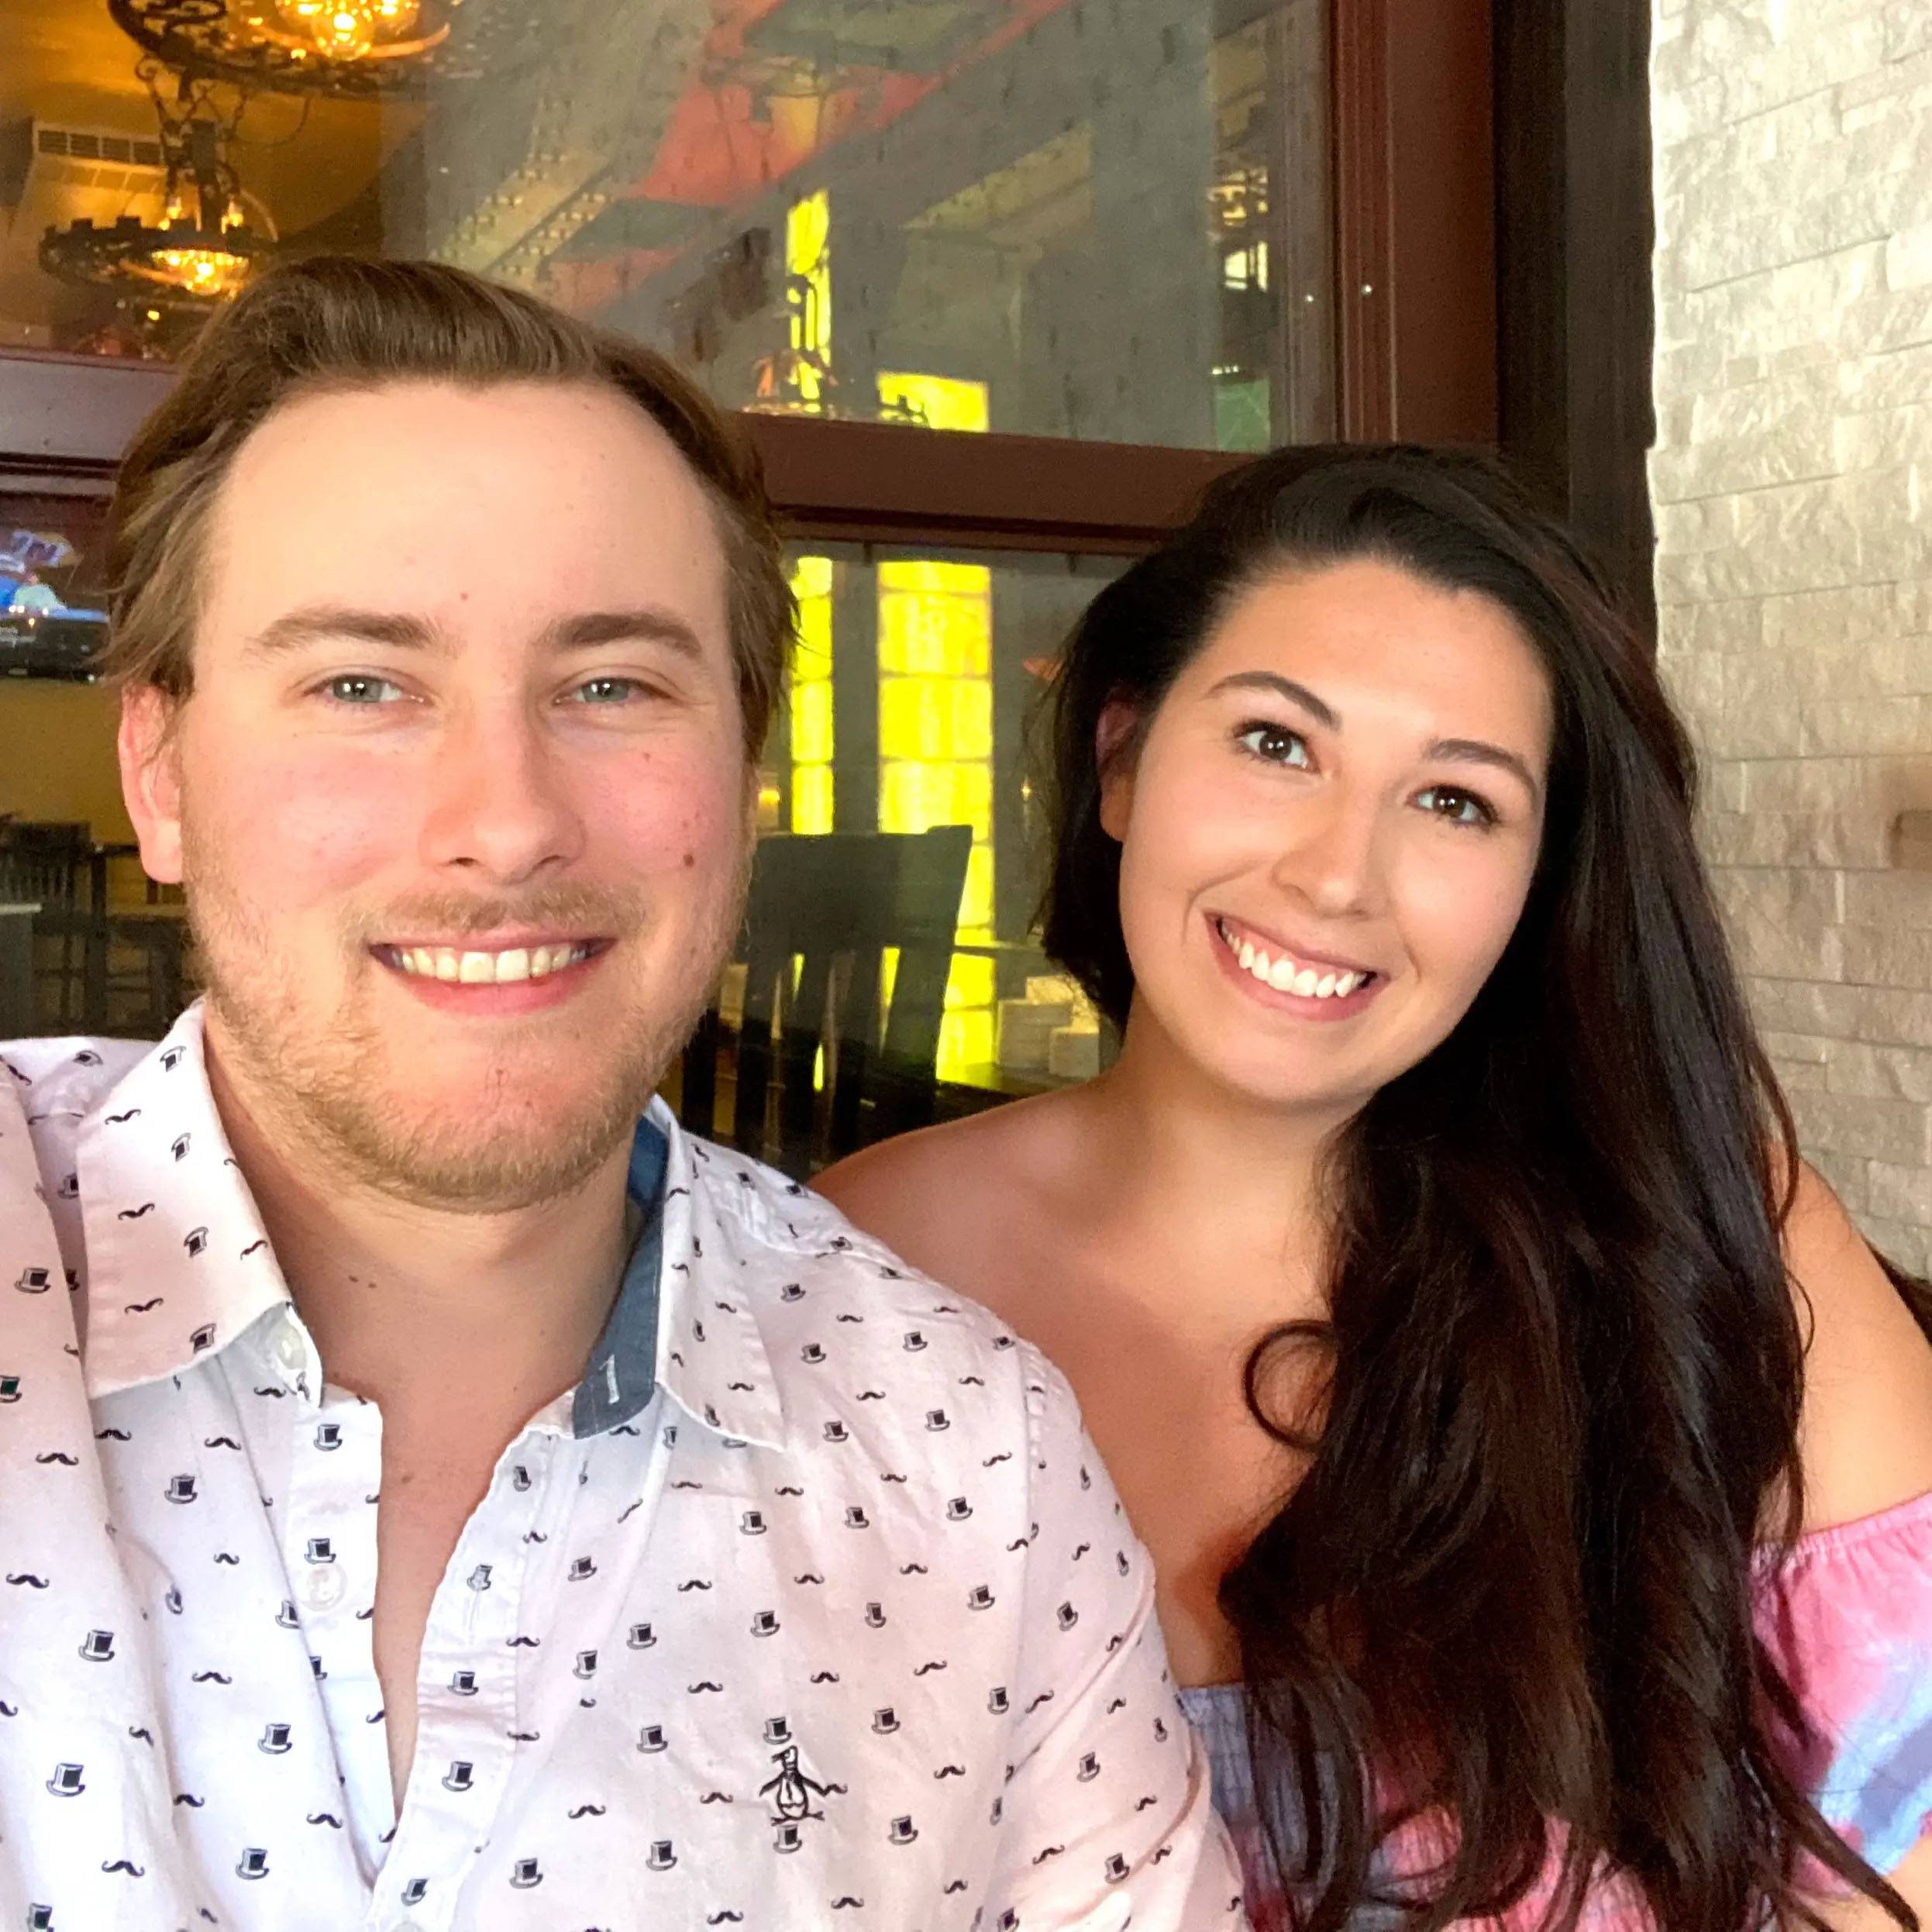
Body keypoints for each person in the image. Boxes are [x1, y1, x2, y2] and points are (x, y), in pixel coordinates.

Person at [0, 258, 1245, 1932]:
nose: (504, 819)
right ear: (160, 770)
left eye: (610, 685)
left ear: (742, 777)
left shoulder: (977, 1464)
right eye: (361, 682)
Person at [821, 444, 1932, 1932]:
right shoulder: (853, 1271)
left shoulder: (1705, 1244)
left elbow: (1897, 1858)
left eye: (1456, 803)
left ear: (1538, 883)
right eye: (1277, 743)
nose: (1338, 875)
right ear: (1123, 763)